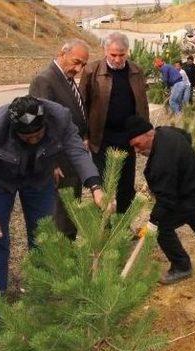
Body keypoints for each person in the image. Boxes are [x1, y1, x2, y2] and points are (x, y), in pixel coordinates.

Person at [0, 95, 103, 336]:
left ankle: (39, 300)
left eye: (38, 136)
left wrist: (95, 186)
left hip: (39, 180)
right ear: (14, 130)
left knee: (42, 237)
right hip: (0, 181)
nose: (33, 140)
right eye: (27, 137)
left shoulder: (59, 116)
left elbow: (77, 153)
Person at [125, 115, 195, 284]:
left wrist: (153, 222)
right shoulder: (165, 131)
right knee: (189, 214)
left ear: (148, 134)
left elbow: (166, 201)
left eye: (137, 144)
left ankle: (181, 267)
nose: (136, 150)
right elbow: (186, 135)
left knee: (162, 227)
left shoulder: (162, 161)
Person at [80, 31, 150, 214]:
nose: (118, 59)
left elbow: (142, 103)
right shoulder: (92, 71)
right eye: (113, 55)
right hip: (101, 138)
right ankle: (103, 230)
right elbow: (82, 104)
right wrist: (84, 135)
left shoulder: (136, 70)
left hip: (128, 139)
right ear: (105, 51)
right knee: (103, 186)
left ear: (127, 51)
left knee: (126, 186)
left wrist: (145, 133)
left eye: (122, 55)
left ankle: (122, 228)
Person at [29, 39, 90, 240]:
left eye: (83, 64)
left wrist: (85, 136)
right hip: (59, 160)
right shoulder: (44, 80)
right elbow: (39, 125)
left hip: (72, 155)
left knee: (71, 207)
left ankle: (70, 251)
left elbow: (75, 114)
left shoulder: (66, 78)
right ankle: (62, 259)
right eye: (76, 61)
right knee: (61, 212)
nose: (79, 68)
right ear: (61, 54)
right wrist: (51, 162)